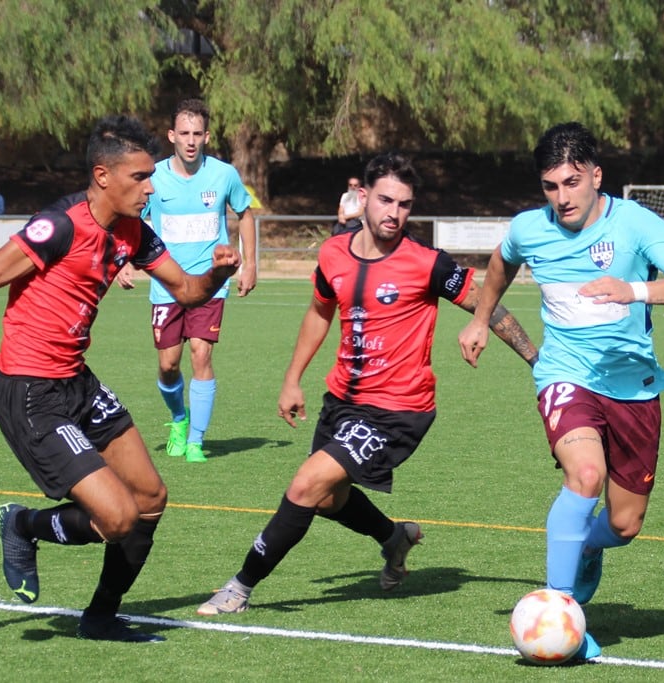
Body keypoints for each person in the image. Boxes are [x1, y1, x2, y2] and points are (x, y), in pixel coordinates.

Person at [0, 115, 241, 643]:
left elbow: (189, 291)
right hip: (30, 391)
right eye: (139, 178)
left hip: (77, 383)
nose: (150, 187)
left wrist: (220, 271)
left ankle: (100, 616)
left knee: (151, 499)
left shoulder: (133, 231)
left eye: (151, 176)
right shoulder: (60, 225)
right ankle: (22, 525)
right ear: (103, 175)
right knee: (119, 517)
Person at [196, 151, 538, 617]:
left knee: (305, 487)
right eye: (385, 200)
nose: (394, 213)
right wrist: (291, 379)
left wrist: (537, 362)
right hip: (341, 400)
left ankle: (239, 586)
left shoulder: (427, 263)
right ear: (363, 197)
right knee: (328, 498)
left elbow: (488, 304)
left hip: (397, 410)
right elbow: (320, 312)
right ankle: (394, 538)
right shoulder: (333, 252)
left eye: (404, 204)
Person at [458, 122, 664, 661]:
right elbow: (501, 263)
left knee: (624, 524)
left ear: (596, 176)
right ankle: (561, 609)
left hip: (634, 387)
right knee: (586, 475)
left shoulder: (635, 224)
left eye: (572, 182)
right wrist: (481, 319)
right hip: (564, 373)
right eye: (551, 186)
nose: (562, 197)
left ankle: (587, 546)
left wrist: (635, 289)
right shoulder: (530, 228)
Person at [138, 98, 257, 464]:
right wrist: (125, 262)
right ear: (172, 135)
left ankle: (195, 441)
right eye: (184, 133)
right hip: (166, 284)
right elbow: (131, 220)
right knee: (168, 364)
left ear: (207, 136)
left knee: (201, 354)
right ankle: (178, 418)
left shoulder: (223, 175)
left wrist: (251, 263)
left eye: (198, 134)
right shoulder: (152, 178)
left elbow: (246, 214)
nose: (191, 141)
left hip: (210, 283)